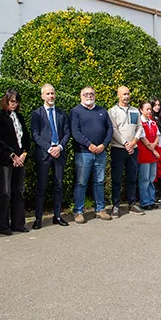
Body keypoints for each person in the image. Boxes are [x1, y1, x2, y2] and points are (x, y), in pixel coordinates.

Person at [70, 86, 113, 223]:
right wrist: (89, 145)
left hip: (101, 152)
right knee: (81, 182)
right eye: (86, 94)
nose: (89, 96)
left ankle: (100, 209)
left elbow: (110, 130)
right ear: (81, 96)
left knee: (99, 182)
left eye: (91, 94)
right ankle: (78, 211)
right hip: (83, 153)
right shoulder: (76, 111)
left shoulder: (102, 111)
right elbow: (75, 132)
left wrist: (103, 145)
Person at [31, 84, 70, 228]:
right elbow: (35, 134)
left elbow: (67, 133)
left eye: (52, 93)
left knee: (58, 186)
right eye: (47, 93)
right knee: (41, 187)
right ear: (42, 96)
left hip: (59, 154)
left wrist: (59, 147)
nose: (51, 96)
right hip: (44, 155)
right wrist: (49, 148)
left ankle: (57, 216)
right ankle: (38, 218)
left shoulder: (61, 113)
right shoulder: (36, 113)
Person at [0, 89, 29, 235]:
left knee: (19, 191)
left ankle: (18, 223)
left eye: (16, 101)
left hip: (20, 159)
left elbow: (26, 138)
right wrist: (12, 155)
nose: (14, 104)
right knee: (5, 192)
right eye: (12, 101)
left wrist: (23, 154)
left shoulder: (19, 117)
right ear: (6, 101)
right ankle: (3, 225)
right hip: (5, 160)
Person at [108, 86, 145, 217]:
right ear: (118, 95)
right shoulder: (112, 111)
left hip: (133, 149)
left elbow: (139, 127)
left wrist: (133, 142)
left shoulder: (135, 111)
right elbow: (113, 129)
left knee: (132, 177)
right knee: (117, 178)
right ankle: (116, 205)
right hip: (118, 149)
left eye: (128, 94)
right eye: (124, 94)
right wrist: (125, 143)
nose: (127, 96)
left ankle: (132, 203)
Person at [137, 100, 161, 210]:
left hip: (153, 154)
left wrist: (154, 145)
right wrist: (154, 150)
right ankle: (145, 201)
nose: (149, 111)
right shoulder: (140, 122)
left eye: (150, 109)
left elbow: (157, 135)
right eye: (147, 109)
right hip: (145, 153)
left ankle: (152, 199)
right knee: (144, 179)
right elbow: (143, 138)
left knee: (152, 178)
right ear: (141, 110)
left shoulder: (152, 122)